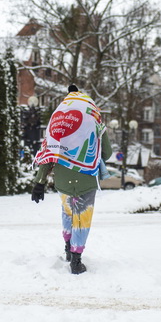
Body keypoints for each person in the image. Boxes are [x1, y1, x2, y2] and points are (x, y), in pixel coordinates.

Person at [30, 85, 112, 274]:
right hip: (86, 178)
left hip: (62, 179)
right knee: (82, 216)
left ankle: (68, 249)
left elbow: (49, 153)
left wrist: (39, 182)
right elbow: (106, 153)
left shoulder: (57, 123)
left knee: (67, 213)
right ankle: (76, 260)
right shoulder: (94, 120)